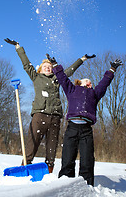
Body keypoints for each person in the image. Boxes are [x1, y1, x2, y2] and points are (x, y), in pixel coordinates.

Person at [4, 38, 96, 173]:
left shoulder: (57, 79)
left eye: (50, 66)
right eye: (45, 66)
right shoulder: (36, 77)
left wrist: (82, 59)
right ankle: (25, 165)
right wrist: (18, 47)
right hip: (39, 115)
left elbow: (69, 71)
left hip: (55, 117)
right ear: (40, 69)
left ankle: (49, 169)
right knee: (32, 143)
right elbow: (26, 64)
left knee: (52, 146)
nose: (48, 68)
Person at [48, 55, 123, 185]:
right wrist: (55, 65)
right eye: (87, 81)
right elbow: (62, 78)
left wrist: (112, 69)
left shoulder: (94, 94)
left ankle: (86, 183)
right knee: (67, 156)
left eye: (91, 82)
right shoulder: (71, 89)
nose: (90, 83)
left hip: (86, 130)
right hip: (72, 127)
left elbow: (104, 83)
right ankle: (65, 181)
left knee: (87, 158)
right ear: (80, 83)